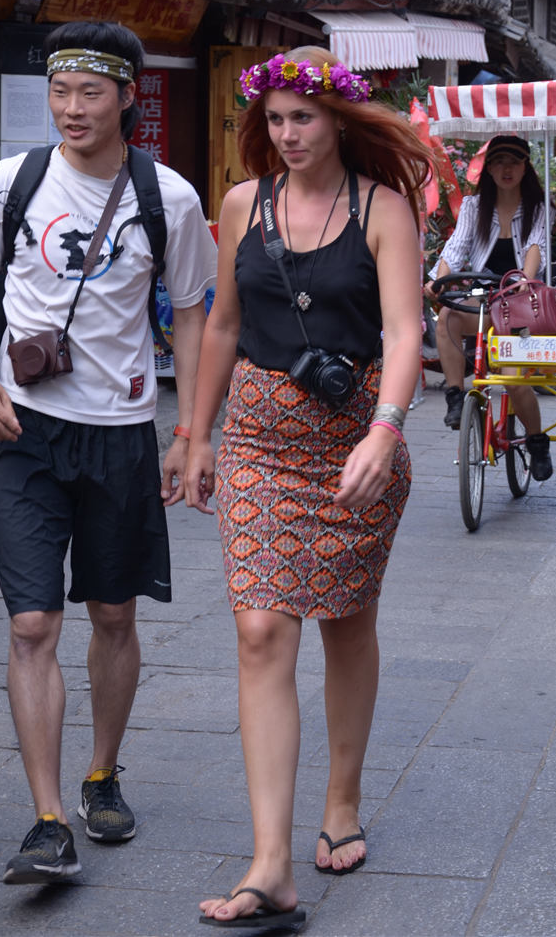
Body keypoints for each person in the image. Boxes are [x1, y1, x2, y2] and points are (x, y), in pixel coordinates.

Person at [0, 22, 217, 885]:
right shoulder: (13, 180)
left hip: (121, 431)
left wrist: (190, 431)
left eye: (90, 93)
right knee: (32, 622)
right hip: (19, 428)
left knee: (113, 616)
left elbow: (192, 316)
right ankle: (47, 818)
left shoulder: (167, 197)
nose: (71, 108)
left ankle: (102, 775)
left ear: (127, 96)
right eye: (60, 91)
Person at [179, 47, 432, 932]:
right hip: (257, 438)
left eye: (304, 118)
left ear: (339, 121)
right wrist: (195, 434)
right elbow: (224, 324)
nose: (287, 134)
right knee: (259, 630)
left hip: (354, 438)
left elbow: (405, 331)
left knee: (346, 620)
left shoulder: (383, 208)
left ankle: (342, 799)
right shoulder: (242, 203)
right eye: (276, 119)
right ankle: (271, 863)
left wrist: (386, 430)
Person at [425, 134, 553, 482]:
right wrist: (439, 280)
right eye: (498, 162)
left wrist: (525, 279)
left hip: (520, 303)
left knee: (514, 381)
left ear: (526, 167)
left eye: (514, 161)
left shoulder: (538, 207)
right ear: (489, 169)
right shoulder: (473, 206)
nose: (506, 168)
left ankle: (537, 442)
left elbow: (535, 247)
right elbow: (455, 248)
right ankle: (455, 396)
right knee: (447, 317)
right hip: (483, 298)